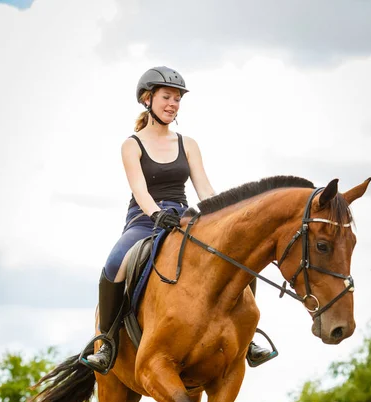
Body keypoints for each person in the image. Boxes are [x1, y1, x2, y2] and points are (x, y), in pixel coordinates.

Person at [81, 66, 271, 373]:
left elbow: (205, 188)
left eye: (177, 99)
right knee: (114, 264)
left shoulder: (188, 143)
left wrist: (227, 215)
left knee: (238, 257)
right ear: (148, 99)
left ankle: (248, 339)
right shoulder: (132, 144)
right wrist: (156, 213)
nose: (173, 104)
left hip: (183, 216)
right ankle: (107, 342)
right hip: (144, 219)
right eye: (167, 97)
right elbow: (139, 189)